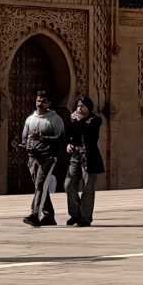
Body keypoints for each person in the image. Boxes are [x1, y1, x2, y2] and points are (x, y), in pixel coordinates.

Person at [19, 91, 65, 228]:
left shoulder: (55, 119)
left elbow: (60, 139)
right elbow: (25, 137)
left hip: (48, 157)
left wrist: (43, 139)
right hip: (33, 158)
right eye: (38, 101)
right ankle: (49, 215)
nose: (40, 104)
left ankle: (35, 215)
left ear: (49, 103)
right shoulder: (30, 119)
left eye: (43, 101)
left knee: (40, 185)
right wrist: (25, 145)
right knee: (40, 186)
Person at [63, 95, 105, 227]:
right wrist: (68, 144)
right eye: (78, 106)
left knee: (88, 188)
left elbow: (89, 133)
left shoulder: (95, 120)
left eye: (82, 106)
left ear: (88, 107)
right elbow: (68, 134)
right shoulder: (74, 119)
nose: (79, 108)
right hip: (76, 156)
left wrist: (79, 121)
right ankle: (75, 214)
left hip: (90, 157)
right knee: (68, 184)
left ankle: (85, 217)